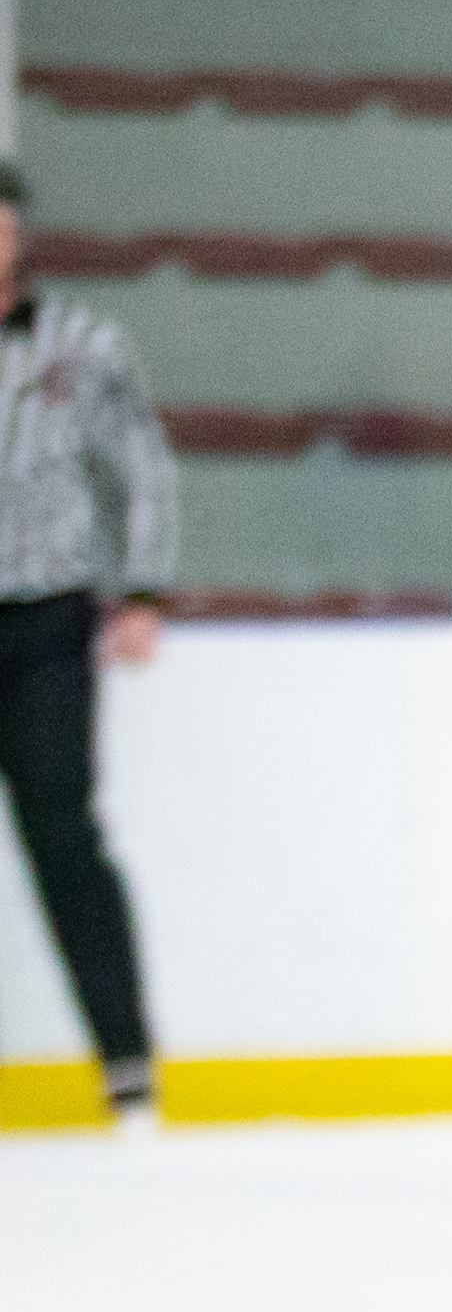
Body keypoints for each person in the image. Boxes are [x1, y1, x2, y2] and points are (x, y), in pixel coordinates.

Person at [0, 163, 179, 1121]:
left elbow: (141, 467)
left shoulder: (82, 346)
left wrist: (143, 588)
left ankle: (126, 1061)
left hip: (45, 622)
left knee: (64, 838)